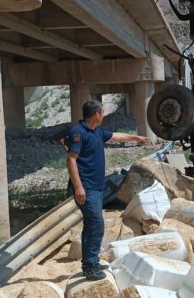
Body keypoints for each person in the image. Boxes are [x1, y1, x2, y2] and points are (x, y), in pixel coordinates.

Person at [65, 100, 149, 281]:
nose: (103, 116)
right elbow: (71, 160)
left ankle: (91, 262)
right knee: (96, 225)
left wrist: (136, 138)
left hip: (95, 188)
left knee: (92, 224)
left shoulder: (96, 132)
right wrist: (79, 187)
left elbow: (115, 137)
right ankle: (90, 266)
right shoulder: (79, 132)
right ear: (97, 114)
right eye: (102, 113)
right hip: (86, 188)